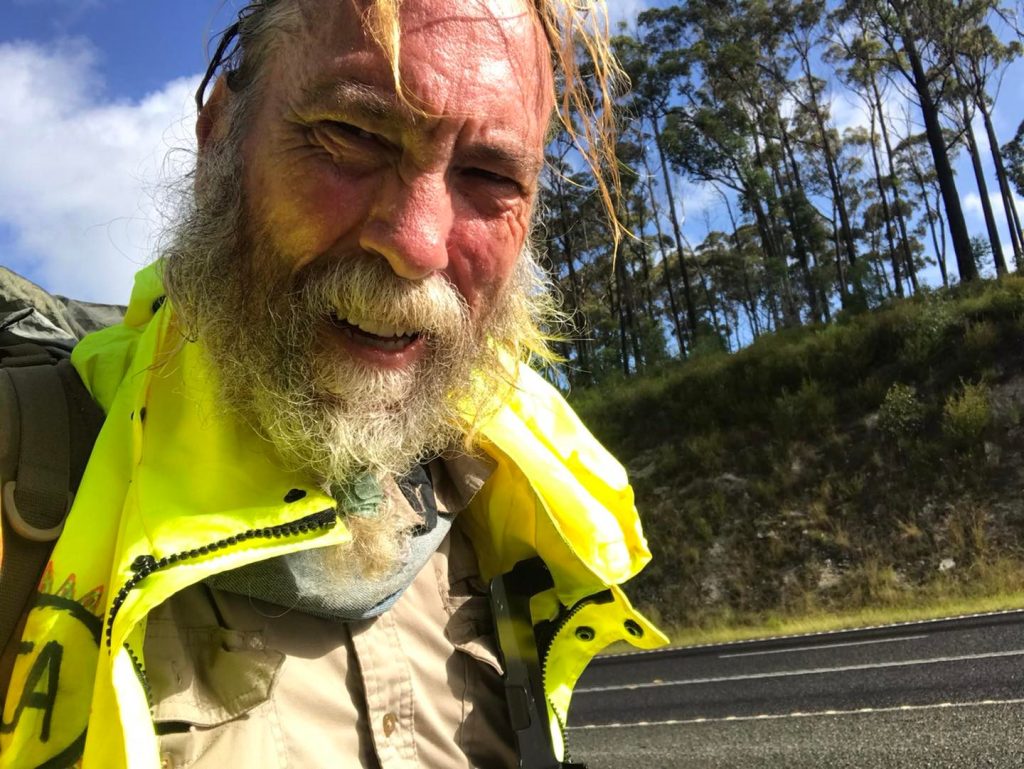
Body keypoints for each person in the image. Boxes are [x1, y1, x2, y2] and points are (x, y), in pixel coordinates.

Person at [0, 0, 665, 767]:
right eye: (352, 135)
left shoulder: (520, 493)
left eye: (490, 176)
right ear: (219, 139)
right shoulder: (29, 468)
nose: (417, 244)